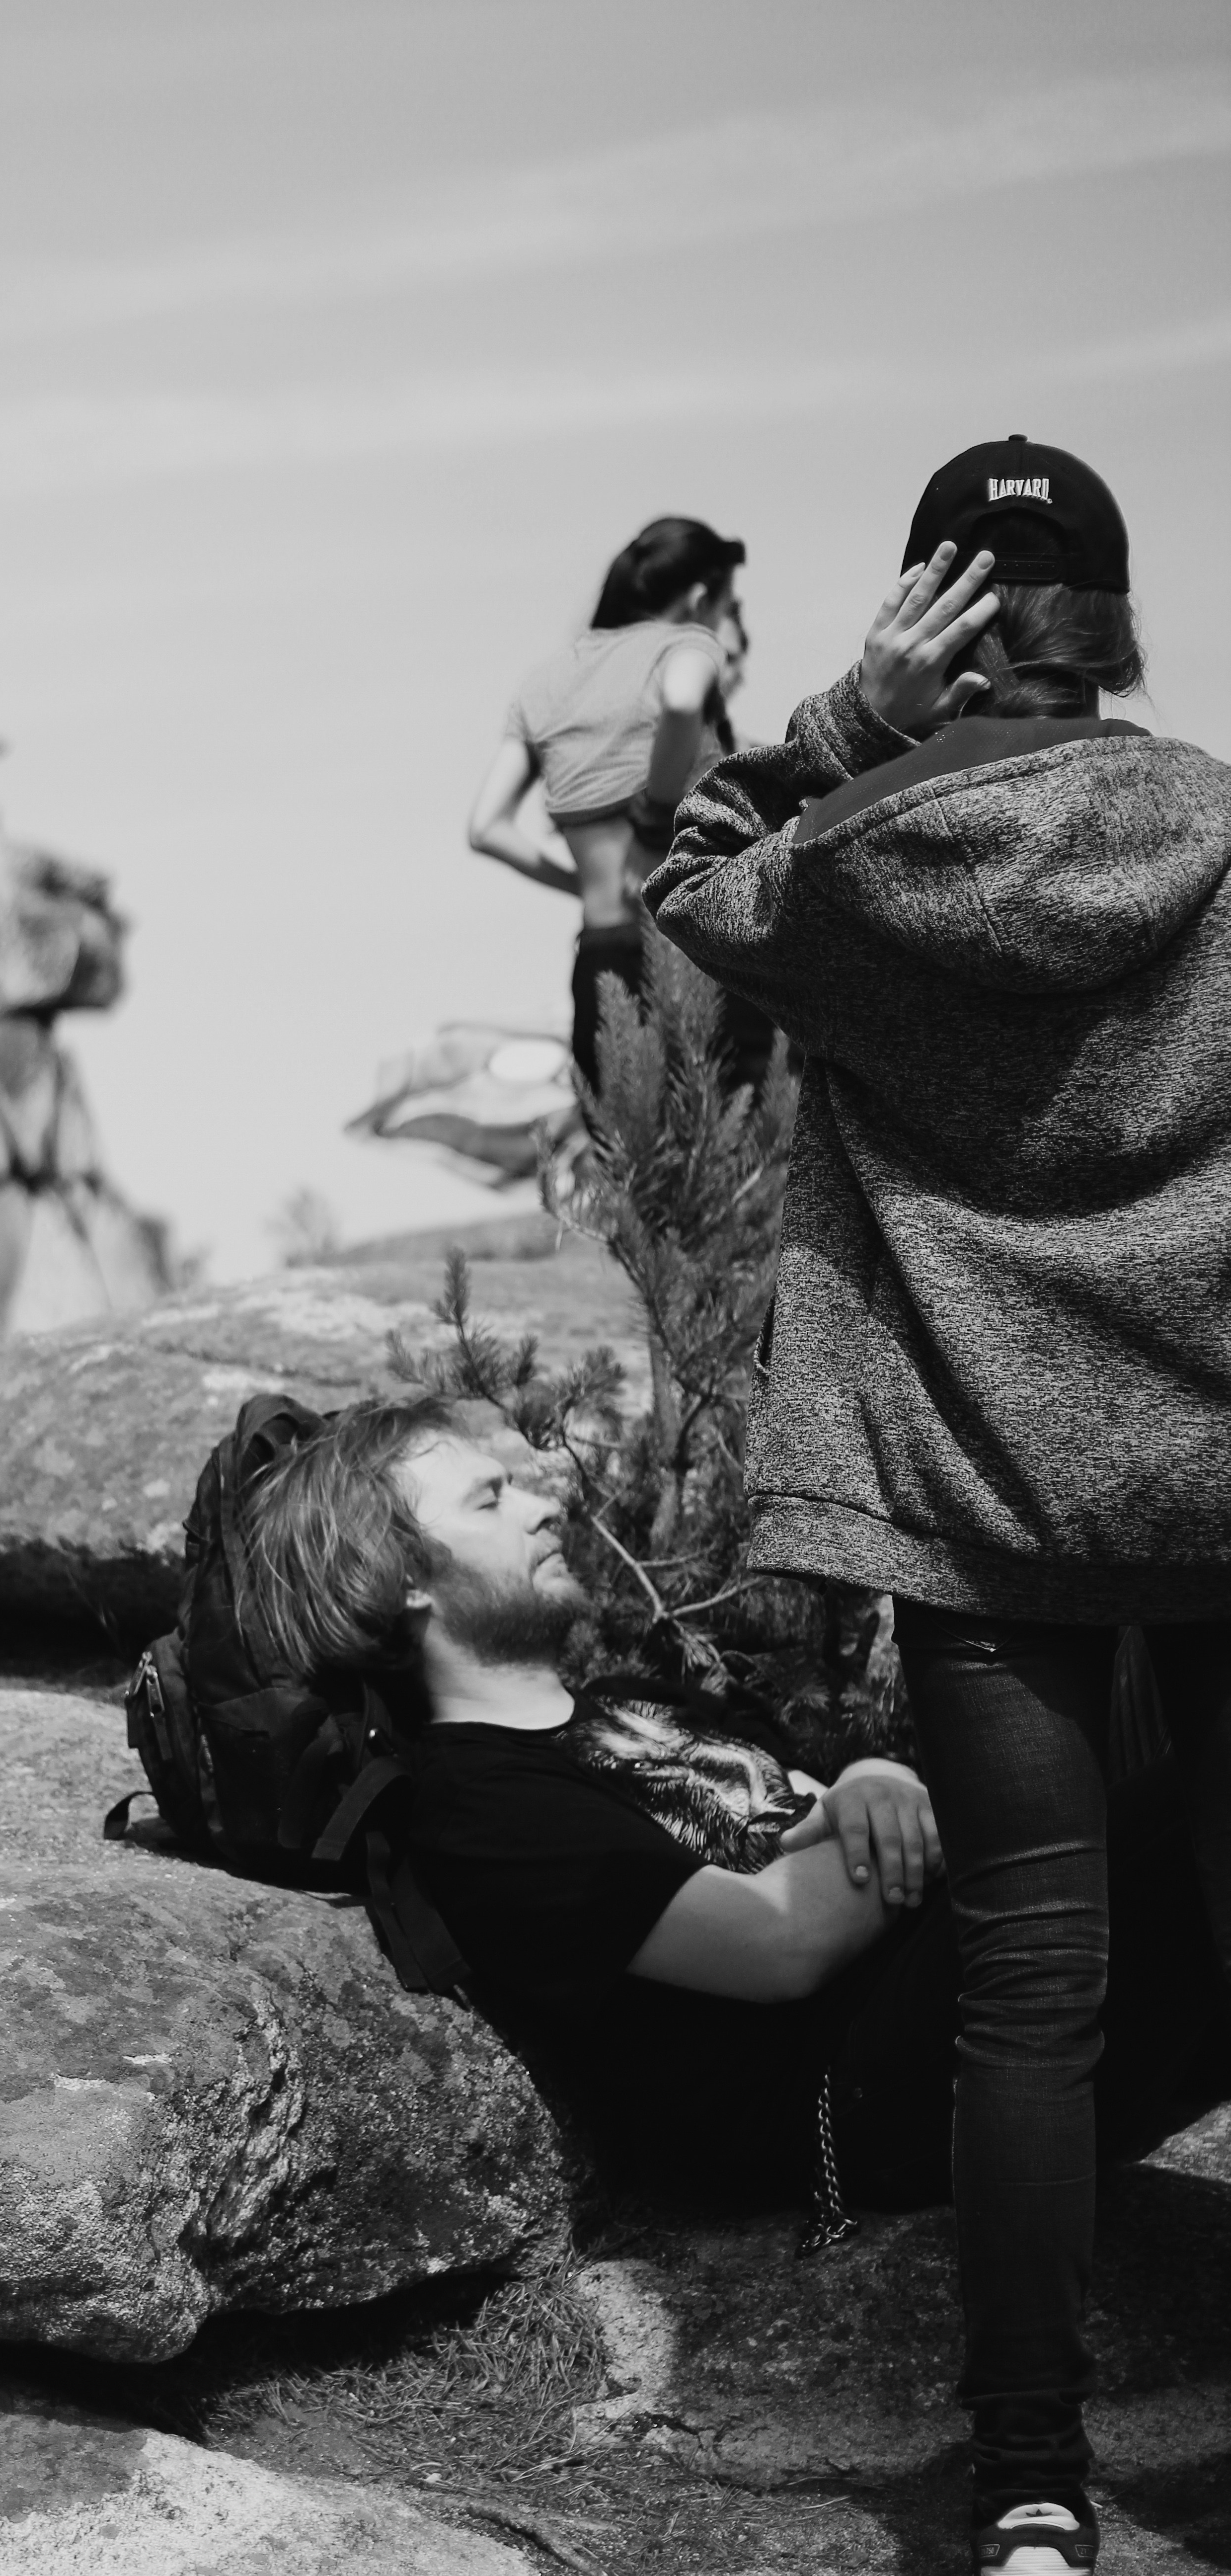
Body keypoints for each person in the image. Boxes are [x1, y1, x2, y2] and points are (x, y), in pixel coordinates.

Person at [638, 435, 1231, 2572]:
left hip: (967, 1490)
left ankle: (1027, 2490)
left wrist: (835, 722)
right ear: (1109, 624)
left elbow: (680, 893)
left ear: (932, 620)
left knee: (1027, 1998)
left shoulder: (853, 865)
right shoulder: (1220, 833)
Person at [242, 1397, 1228, 2573]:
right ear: (398, 1578)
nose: (546, 1501)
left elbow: (828, 1810)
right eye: (489, 1498)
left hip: (948, 1975)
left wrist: (872, 1781)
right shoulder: (477, 1809)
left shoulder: (638, 1708)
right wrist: (933, 1819)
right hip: (867, 2086)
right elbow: (779, 1943)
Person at [466, 517, 764, 1089]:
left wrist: (583, 884)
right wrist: (656, 815)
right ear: (700, 598)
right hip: (698, 950)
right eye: (727, 605)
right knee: (738, 1134)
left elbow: (486, 829)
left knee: (627, 1142)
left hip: (602, 960)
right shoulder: (687, 645)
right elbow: (682, 702)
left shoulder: (547, 681)